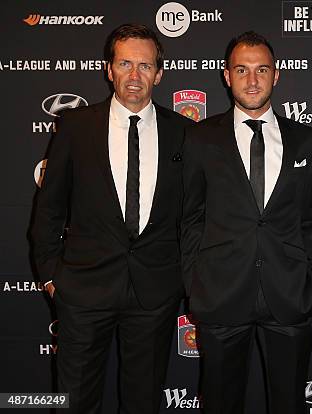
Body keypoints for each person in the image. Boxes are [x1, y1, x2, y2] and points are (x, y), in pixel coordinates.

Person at [30, 24, 192, 413]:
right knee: (74, 400)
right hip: (83, 290)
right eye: (125, 64)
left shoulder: (185, 133)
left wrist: (182, 279)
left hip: (154, 293)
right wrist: (53, 277)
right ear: (109, 69)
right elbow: (49, 209)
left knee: (142, 401)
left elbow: (194, 215)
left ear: (159, 73)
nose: (134, 76)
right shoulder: (75, 127)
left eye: (144, 65)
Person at [181, 31, 312, 414]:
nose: (253, 80)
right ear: (227, 76)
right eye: (242, 70)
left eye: (262, 69)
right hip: (221, 298)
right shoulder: (199, 138)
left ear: (277, 75)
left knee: (289, 404)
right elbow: (190, 218)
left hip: (290, 297)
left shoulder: (307, 141)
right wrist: (195, 284)